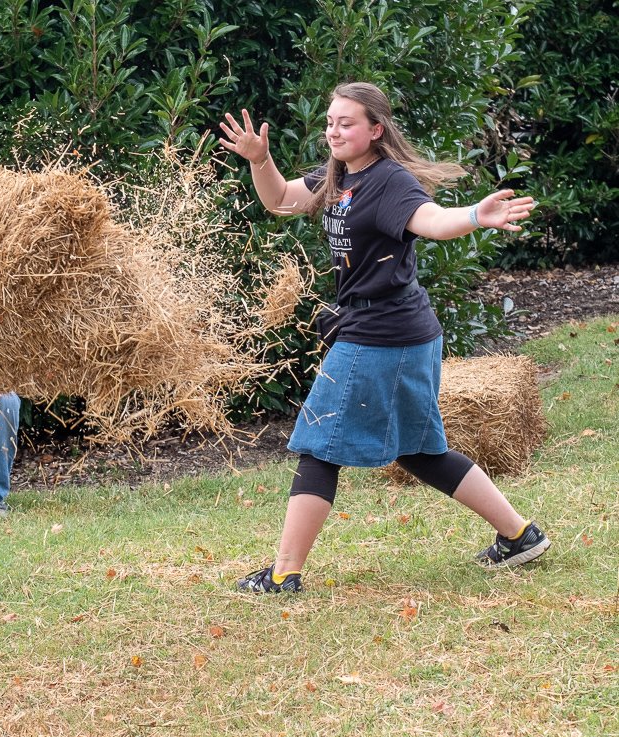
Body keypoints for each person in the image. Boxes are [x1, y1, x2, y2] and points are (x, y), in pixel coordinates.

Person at [218, 82, 550, 593]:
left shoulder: (390, 182)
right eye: (330, 121)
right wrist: (261, 161)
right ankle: (520, 536)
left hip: (381, 336)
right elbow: (282, 200)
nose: (334, 130)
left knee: (319, 445)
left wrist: (473, 217)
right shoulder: (337, 176)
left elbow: (432, 221)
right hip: (396, 334)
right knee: (419, 451)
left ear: (376, 129)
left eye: (346, 122)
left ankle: (284, 574)